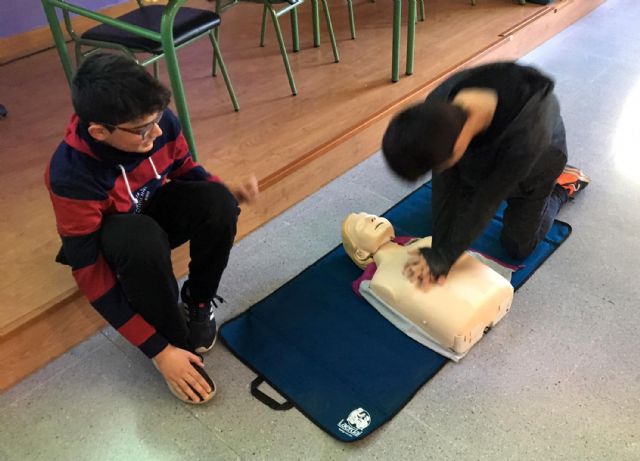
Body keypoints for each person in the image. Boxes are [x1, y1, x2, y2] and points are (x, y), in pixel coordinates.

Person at [45, 53, 259, 404]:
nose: (157, 132)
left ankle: (197, 301)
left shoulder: (160, 124)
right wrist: (159, 351)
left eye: (157, 119)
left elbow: (185, 169)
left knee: (219, 203)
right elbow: (90, 274)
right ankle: (173, 341)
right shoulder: (70, 176)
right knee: (140, 240)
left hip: (150, 210)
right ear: (99, 131)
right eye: (143, 128)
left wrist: (224, 192)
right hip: (120, 238)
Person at [382, 61, 590, 290]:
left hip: (538, 164)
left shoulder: (527, 136)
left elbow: (487, 199)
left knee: (518, 247)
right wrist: (439, 248)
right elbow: (445, 181)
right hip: (482, 155)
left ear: (458, 147)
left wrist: (444, 256)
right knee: (442, 228)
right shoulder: (439, 104)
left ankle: (561, 188)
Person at [342, 212, 514, 360]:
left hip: (488, 296)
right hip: (463, 323)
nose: (372, 219)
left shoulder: (427, 241)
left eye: (371, 216)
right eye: (362, 224)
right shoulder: (382, 281)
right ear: (361, 254)